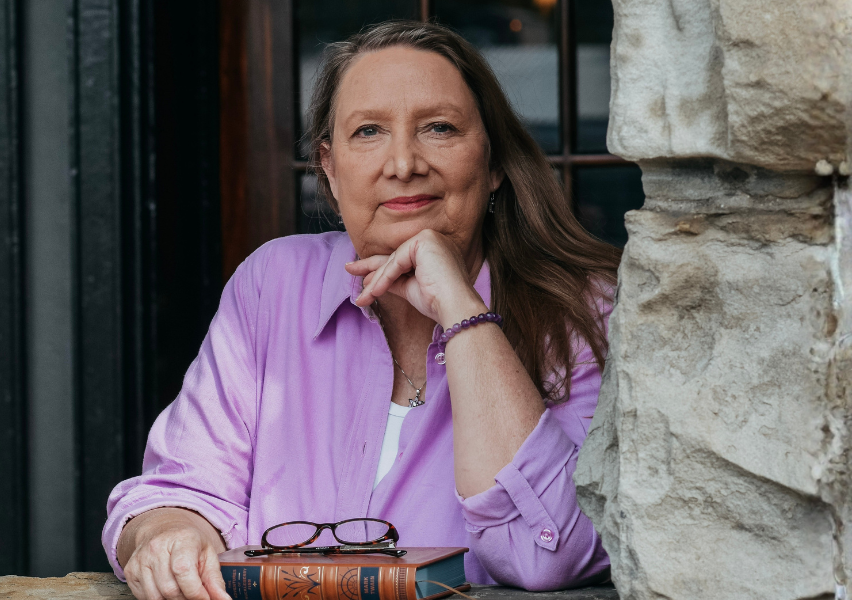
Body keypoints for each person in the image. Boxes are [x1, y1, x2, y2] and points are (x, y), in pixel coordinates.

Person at [104, 20, 621, 600]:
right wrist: (168, 533)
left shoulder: (584, 308)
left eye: (440, 128)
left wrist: (462, 311)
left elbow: (551, 552)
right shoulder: (274, 284)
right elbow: (178, 491)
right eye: (369, 131)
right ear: (329, 165)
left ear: (494, 162)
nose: (402, 163)